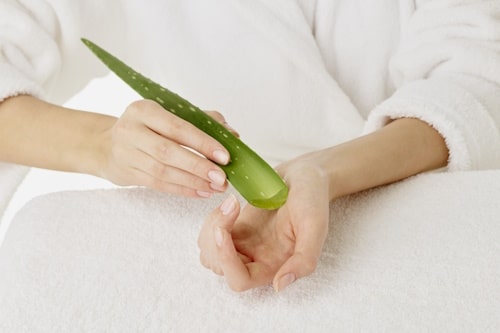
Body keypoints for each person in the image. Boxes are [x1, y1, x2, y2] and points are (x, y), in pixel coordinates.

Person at [1, 0, 499, 292]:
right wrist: (103, 144)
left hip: (430, 217)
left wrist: (323, 173)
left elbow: (478, 76)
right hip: (240, 241)